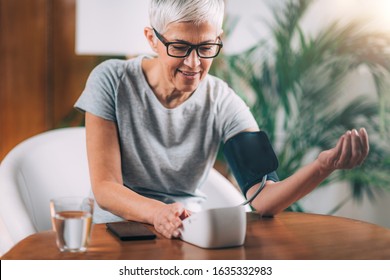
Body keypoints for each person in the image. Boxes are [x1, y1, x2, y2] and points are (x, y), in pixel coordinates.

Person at [75, 0, 369, 239]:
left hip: (185, 236)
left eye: (205, 48)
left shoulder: (223, 102)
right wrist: (157, 213)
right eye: (179, 47)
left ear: (219, 40)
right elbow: (106, 188)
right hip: (111, 232)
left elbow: (262, 197)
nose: (194, 64)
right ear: (152, 39)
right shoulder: (111, 80)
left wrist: (322, 166)